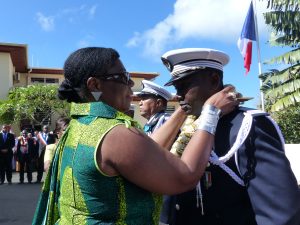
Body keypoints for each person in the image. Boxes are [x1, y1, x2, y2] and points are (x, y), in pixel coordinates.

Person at [32, 47, 238, 225]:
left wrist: (183, 109)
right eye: (123, 78)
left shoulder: (80, 124)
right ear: (95, 85)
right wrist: (211, 113)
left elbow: (147, 151)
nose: (131, 85)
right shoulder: (114, 133)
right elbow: (184, 176)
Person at [159, 48, 300, 225]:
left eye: (184, 87)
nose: (177, 95)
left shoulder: (247, 127)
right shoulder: (186, 127)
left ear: (214, 80)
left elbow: (279, 214)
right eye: (176, 88)